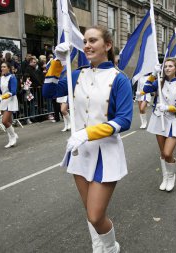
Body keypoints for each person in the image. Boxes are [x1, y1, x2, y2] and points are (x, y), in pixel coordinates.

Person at [42, 25, 133, 253]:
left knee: (95, 214)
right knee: (90, 211)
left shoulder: (119, 79)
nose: (87, 45)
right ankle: (98, 246)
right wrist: (57, 62)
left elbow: (124, 120)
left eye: (93, 40)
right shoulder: (77, 74)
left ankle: (111, 247)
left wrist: (87, 133)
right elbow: (48, 91)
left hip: (105, 152)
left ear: (108, 46)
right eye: (85, 41)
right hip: (81, 152)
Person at [142, 58, 176, 192]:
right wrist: (153, 74)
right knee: (162, 153)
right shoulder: (158, 83)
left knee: (168, 153)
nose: (167, 68)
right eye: (165, 66)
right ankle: (165, 177)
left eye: (170, 66)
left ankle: (171, 176)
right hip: (159, 119)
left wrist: (168, 108)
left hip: (173, 121)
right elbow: (145, 89)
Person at [0, 62, 19, 148]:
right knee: (8, 122)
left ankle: (13, 137)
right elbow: (0, 91)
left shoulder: (12, 77)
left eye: (4, 67)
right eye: (1, 67)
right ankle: (13, 136)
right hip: (3, 101)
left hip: (11, 100)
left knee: (4, 121)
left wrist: (2, 97)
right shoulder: (0, 78)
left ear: (8, 68)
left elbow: (13, 91)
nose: (2, 68)